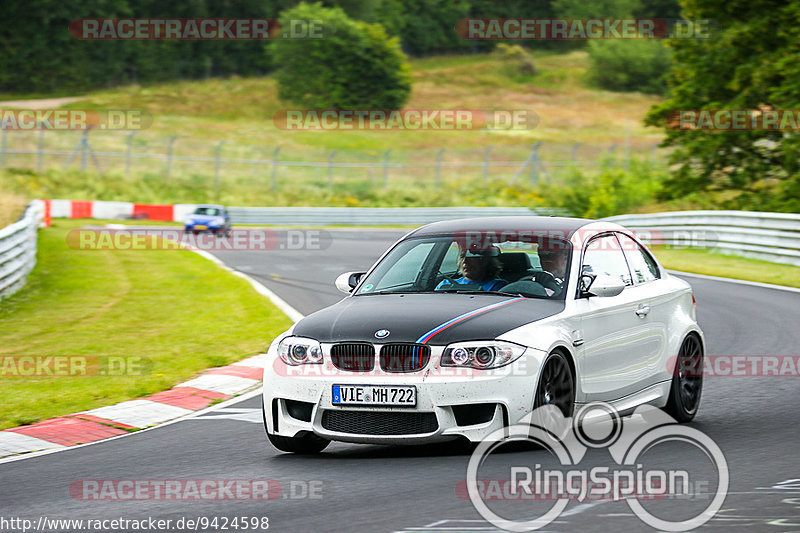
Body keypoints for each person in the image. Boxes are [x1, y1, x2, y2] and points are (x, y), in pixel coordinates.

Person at [436, 245, 507, 292]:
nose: (464, 261)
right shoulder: (445, 284)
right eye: (462, 256)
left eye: (470, 257)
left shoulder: (498, 286)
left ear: (485, 261)